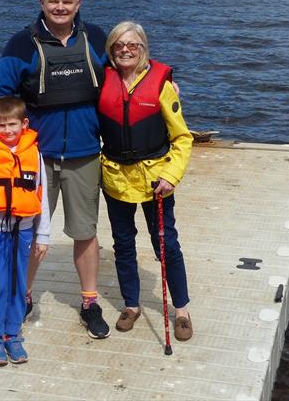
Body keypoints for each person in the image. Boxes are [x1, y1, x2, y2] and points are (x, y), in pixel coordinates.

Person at [0, 0, 111, 339]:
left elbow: (129, 71)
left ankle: (90, 302)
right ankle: (22, 296)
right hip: (34, 158)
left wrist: (164, 83)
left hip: (84, 152)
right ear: (42, 3)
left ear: (78, 4)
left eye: (67, 2)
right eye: (53, 2)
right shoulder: (21, 44)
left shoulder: (95, 38)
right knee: (26, 231)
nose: (60, 7)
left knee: (86, 231)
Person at [97, 21, 194, 341]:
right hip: (116, 179)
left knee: (166, 244)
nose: (125, 50)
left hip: (156, 181)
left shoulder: (163, 86)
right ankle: (132, 305)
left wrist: (170, 175)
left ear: (143, 49)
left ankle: (181, 309)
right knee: (123, 244)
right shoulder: (101, 81)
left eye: (133, 45)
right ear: (111, 50)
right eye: (119, 45)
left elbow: (182, 139)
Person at [0, 96, 51, 365]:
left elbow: (42, 194)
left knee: (18, 284)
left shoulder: (33, 154)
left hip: (24, 230)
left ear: (24, 124)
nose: (7, 131)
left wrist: (43, 235)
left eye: (12, 125)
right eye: (1, 126)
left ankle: (12, 335)